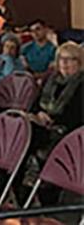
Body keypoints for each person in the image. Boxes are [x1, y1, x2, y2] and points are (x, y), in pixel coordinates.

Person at [26, 42, 84, 204]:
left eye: (70, 59)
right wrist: (39, 113)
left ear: (79, 62)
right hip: (43, 123)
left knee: (32, 137)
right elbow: (35, 103)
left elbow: (76, 116)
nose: (64, 63)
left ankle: (39, 183)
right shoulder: (50, 81)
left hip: (67, 130)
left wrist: (51, 121)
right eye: (61, 59)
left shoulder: (81, 83)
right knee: (24, 129)